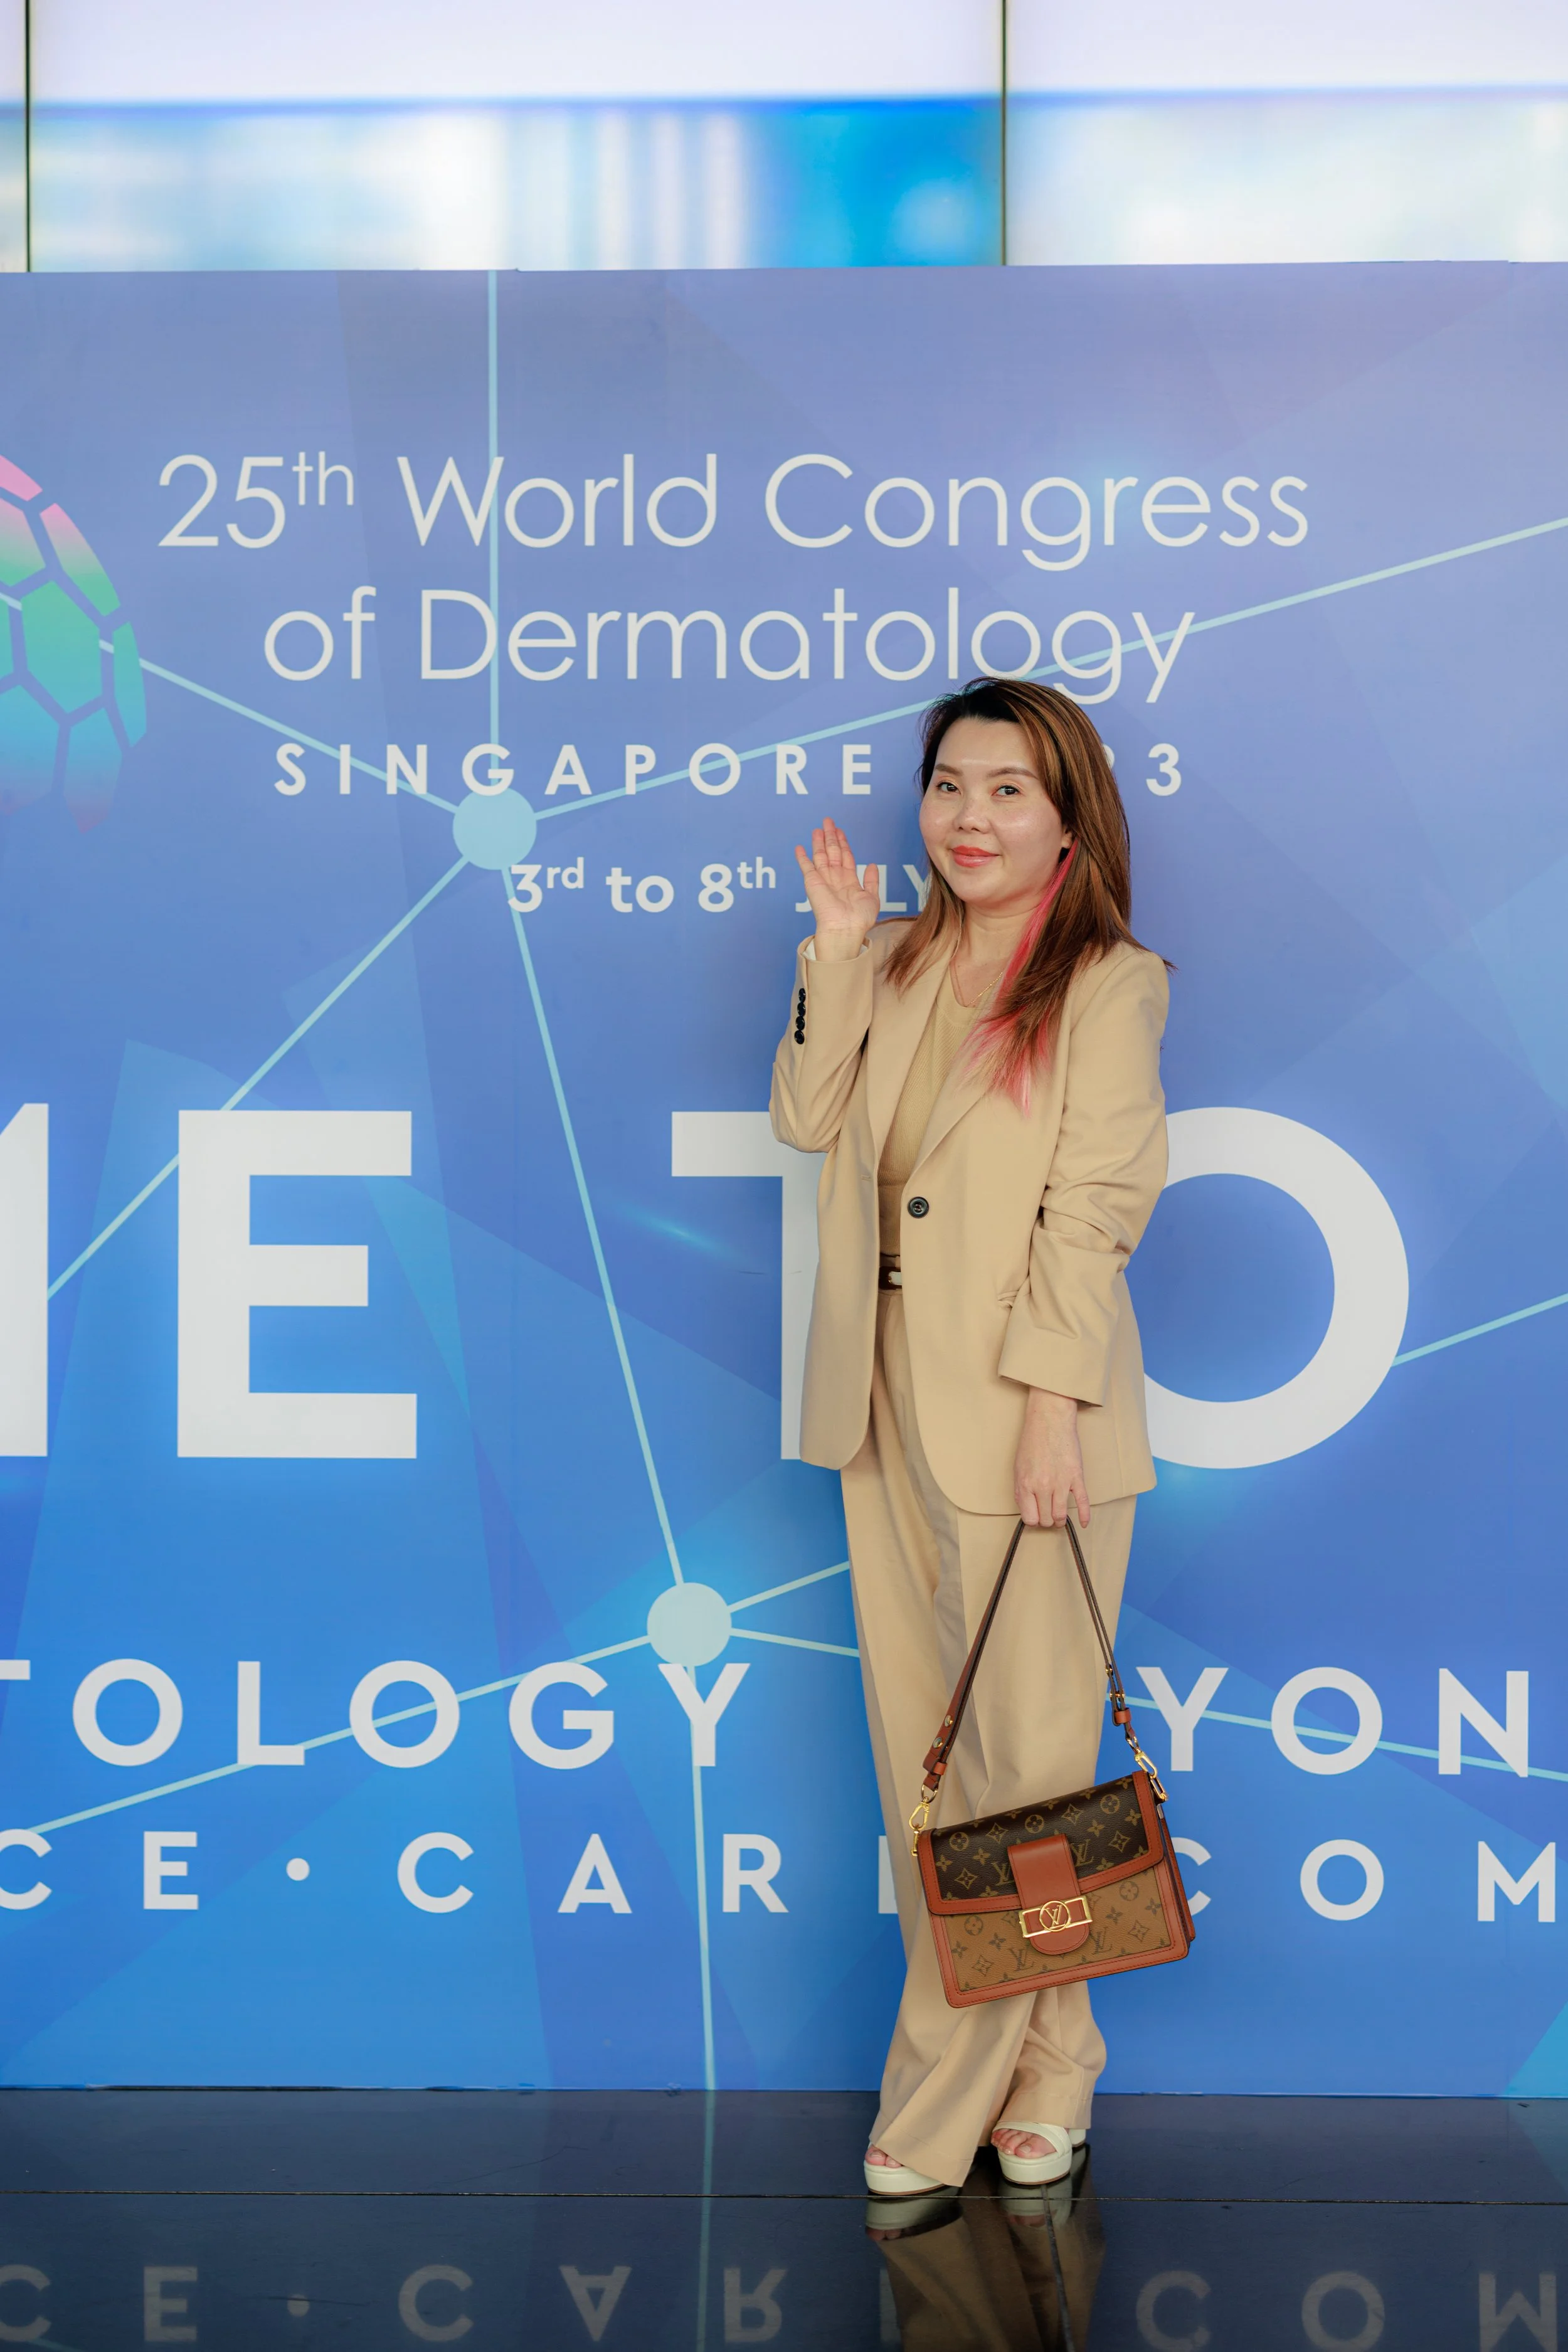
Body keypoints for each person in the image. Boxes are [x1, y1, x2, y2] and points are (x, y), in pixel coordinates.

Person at [770, 677, 1168, 2197]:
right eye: (949, 785)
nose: (969, 818)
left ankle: (938, 2097)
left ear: (1066, 817)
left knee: (1029, 1774)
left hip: (1023, 1418)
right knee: (932, 1776)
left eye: (1006, 790)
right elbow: (807, 1123)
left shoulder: (1108, 983)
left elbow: (1097, 1206)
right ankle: (1058, 2061)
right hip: (877, 1400)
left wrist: (1057, 1407)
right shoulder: (895, 957)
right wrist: (832, 953)